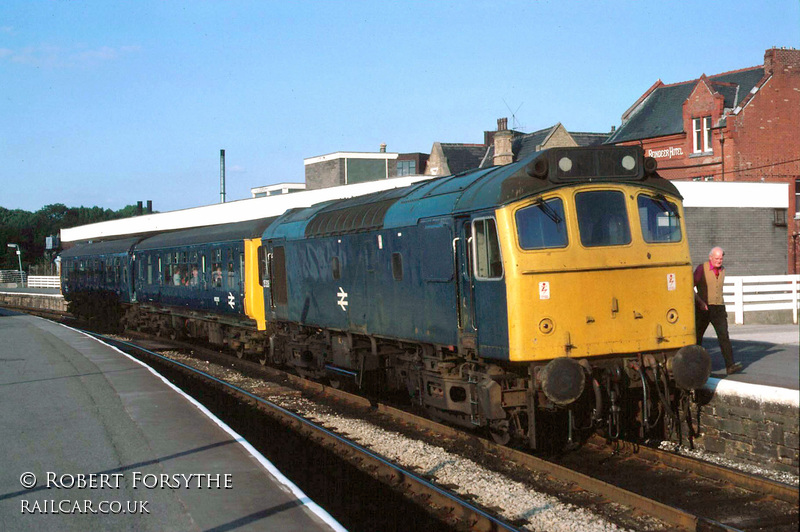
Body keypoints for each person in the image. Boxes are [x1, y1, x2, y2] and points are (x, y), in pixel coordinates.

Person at [694, 247, 742, 375]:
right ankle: (696, 366)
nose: (719, 261)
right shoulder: (701, 269)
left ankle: (730, 365)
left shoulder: (723, 270)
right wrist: (700, 302)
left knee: (724, 337)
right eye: (716, 258)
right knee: (697, 338)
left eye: (721, 258)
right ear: (710, 258)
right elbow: (689, 287)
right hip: (703, 308)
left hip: (718, 308)